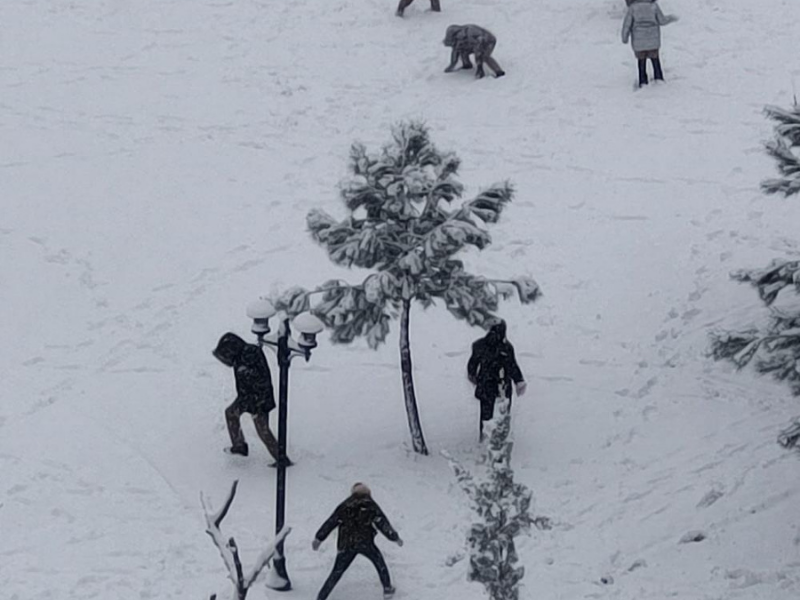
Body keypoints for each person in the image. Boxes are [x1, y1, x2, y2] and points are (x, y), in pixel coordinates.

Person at [313, 483, 403, 600]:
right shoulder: (370, 505)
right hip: (365, 542)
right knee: (379, 562)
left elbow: (331, 521)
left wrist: (319, 538)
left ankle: (321, 596)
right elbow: (382, 523)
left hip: (347, 543)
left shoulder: (345, 505)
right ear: (368, 492)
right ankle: (387, 589)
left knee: (337, 572)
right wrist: (395, 537)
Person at [212, 332, 280, 460]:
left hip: (259, 400)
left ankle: (281, 458)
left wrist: (247, 373)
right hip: (246, 397)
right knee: (231, 413)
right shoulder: (241, 356)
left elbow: (257, 377)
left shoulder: (249, 354)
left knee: (262, 430)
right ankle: (239, 446)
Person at [467, 320, 525, 439]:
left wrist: (473, 376)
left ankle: (485, 436)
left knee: (487, 414)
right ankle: (498, 437)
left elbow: (472, 365)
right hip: (500, 384)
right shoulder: (506, 347)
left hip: (488, 384)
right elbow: (512, 366)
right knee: (501, 414)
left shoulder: (480, 345)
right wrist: (519, 381)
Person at [621, 0, 678, 88]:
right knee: (655, 60)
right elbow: (662, 21)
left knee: (641, 62)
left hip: (639, 42)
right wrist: (671, 18)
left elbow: (627, 25)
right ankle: (658, 78)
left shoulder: (633, 8)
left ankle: (643, 82)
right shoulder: (653, 6)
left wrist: (625, 38)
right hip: (653, 41)